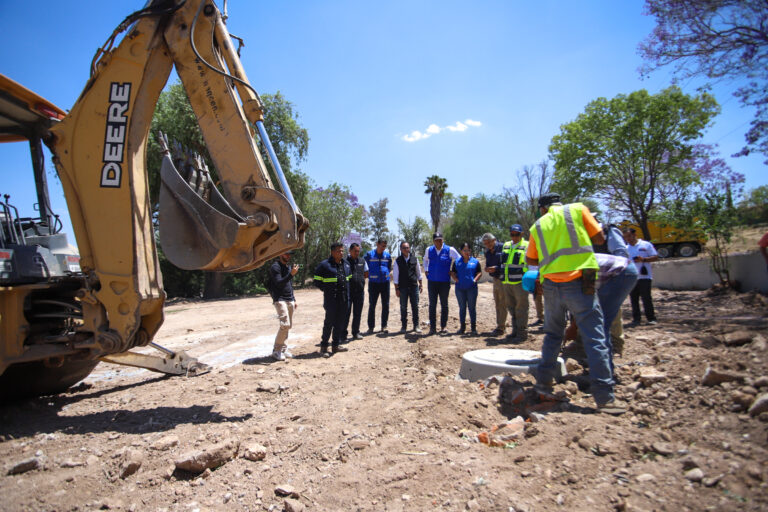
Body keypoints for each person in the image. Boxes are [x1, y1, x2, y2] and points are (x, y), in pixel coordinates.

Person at [526, 192, 625, 415]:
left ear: (543, 208)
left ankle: (543, 383)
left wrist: (549, 254)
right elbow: (600, 238)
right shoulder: (578, 210)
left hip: (551, 284)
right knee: (595, 336)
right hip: (580, 283)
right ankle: (605, 398)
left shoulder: (538, 225)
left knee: (552, 334)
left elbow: (530, 259)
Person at [313, 243, 352, 357]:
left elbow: (348, 280)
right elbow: (317, 280)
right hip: (331, 300)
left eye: (342, 251)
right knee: (329, 323)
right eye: (339, 251)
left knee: (339, 323)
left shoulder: (346, 264)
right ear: (332, 252)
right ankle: (324, 346)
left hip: (344, 299)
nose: (341, 253)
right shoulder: (324, 265)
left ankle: (335, 345)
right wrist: (327, 290)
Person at [423, 232, 460, 335]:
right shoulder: (429, 250)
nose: (439, 242)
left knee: (444, 305)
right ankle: (433, 328)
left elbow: (459, 259)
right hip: (432, 282)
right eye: (436, 240)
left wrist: (453, 270)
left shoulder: (450, 249)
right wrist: (426, 269)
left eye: (440, 240)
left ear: (443, 240)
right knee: (432, 305)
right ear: (433, 241)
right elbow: (425, 260)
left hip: (444, 282)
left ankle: (443, 326)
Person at [623, 227, 659, 326]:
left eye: (629, 236)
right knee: (633, 299)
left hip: (645, 277)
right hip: (631, 277)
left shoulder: (646, 245)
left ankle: (651, 318)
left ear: (635, 235)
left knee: (646, 298)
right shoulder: (625, 249)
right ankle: (636, 320)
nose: (628, 239)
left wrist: (643, 259)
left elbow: (655, 257)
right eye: (626, 237)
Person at [501, 224, 530, 342]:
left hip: (520, 282)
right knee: (511, 307)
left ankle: (522, 334)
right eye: (512, 234)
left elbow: (530, 263)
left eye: (517, 234)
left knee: (521, 308)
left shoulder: (526, 245)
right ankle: (515, 331)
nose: (514, 237)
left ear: (521, 234)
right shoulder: (506, 245)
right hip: (507, 281)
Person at [268, 252, 298, 361]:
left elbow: (289, 284)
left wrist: (294, 299)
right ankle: (276, 350)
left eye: (290, 254)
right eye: (286, 254)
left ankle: (284, 349)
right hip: (280, 299)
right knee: (285, 324)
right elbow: (279, 282)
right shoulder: (275, 267)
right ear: (280, 255)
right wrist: (291, 274)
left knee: (288, 326)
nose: (288, 256)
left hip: (289, 299)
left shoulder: (288, 267)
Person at [450, 242, 482, 335]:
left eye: (468, 250)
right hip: (460, 289)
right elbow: (452, 272)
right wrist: (456, 279)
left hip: (472, 289)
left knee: (472, 308)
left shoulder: (475, 262)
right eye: (464, 250)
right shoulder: (456, 262)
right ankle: (462, 328)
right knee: (462, 308)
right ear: (461, 251)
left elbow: (479, 272)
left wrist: (475, 280)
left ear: (470, 250)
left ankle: (473, 328)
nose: (466, 252)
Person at [364, 239, 393, 334]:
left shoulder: (388, 256)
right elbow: (364, 266)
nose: (383, 248)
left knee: (386, 305)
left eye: (384, 246)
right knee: (372, 305)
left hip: (385, 283)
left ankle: (384, 326)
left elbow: (389, 267)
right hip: (373, 283)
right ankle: (371, 327)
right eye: (381, 245)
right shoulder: (369, 254)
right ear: (377, 244)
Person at [393, 241, 423, 334]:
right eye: (404, 248)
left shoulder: (415, 259)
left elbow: (418, 273)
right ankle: (404, 327)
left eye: (407, 247)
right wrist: (397, 289)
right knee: (403, 307)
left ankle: (416, 325)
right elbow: (395, 276)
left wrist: (421, 284)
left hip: (414, 286)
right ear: (401, 249)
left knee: (415, 306)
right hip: (403, 288)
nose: (406, 249)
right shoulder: (398, 261)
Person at [481, 232, 507, 335]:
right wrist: (487, 268)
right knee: (497, 303)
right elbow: (488, 264)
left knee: (503, 303)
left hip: (504, 279)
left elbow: (507, 264)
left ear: (494, 240)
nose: (488, 245)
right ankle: (500, 325)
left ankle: (501, 327)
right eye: (485, 243)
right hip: (495, 279)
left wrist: (496, 268)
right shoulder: (487, 252)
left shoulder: (503, 248)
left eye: (489, 243)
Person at [344, 243, 368, 341]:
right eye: (355, 251)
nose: (357, 253)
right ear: (350, 251)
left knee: (357, 313)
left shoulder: (362, 261)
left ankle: (356, 332)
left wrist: (360, 281)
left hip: (359, 292)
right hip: (348, 292)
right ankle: (343, 334)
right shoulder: (344, 262)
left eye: (358, 251)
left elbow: (366, 273)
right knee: (346, 313)